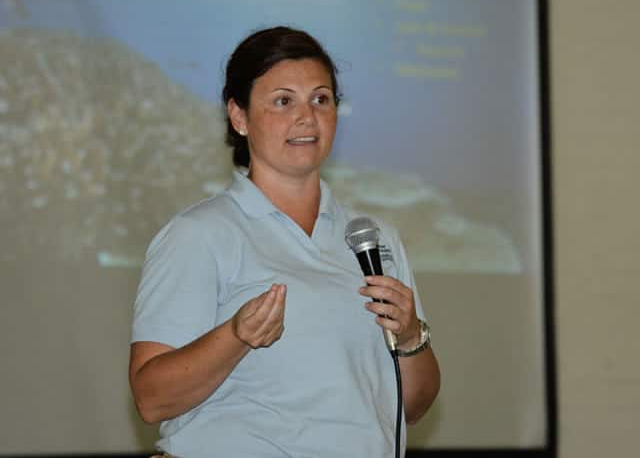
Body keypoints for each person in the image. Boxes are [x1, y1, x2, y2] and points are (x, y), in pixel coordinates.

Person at [129, 26, 440, 457]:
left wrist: (409, 337)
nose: (306, 117)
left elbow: (413, 407)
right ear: (239, 117)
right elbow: (151, 398)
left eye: (321, 99)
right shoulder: (200, 234)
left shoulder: (375, 240)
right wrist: (237, 335)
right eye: (283, 101)